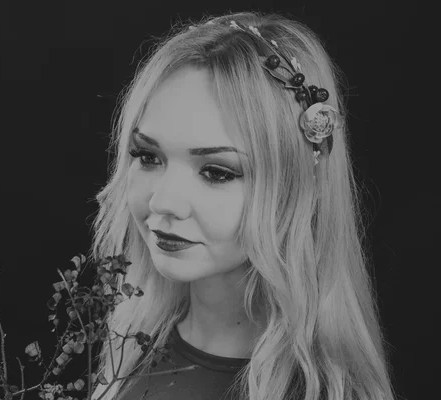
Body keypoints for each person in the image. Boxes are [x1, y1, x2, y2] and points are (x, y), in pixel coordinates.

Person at [88, 11, 397, 400]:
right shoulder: (130, 343)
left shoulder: (313, 392)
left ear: (295, 187)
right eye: (148, 157)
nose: (163, 201)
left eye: (217, 172)